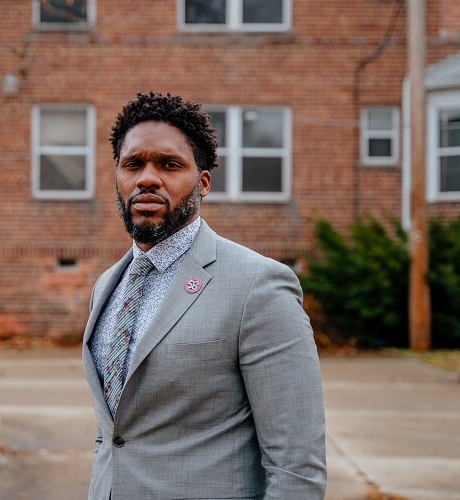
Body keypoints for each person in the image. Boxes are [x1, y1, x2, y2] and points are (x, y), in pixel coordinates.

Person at [81, 92, 326, 499]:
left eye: (169, 164)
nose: (147, 178)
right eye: (133, 164)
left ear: (203, 182)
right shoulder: (108, 285)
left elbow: (297, 468)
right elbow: (114, 433)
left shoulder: (258, 287)